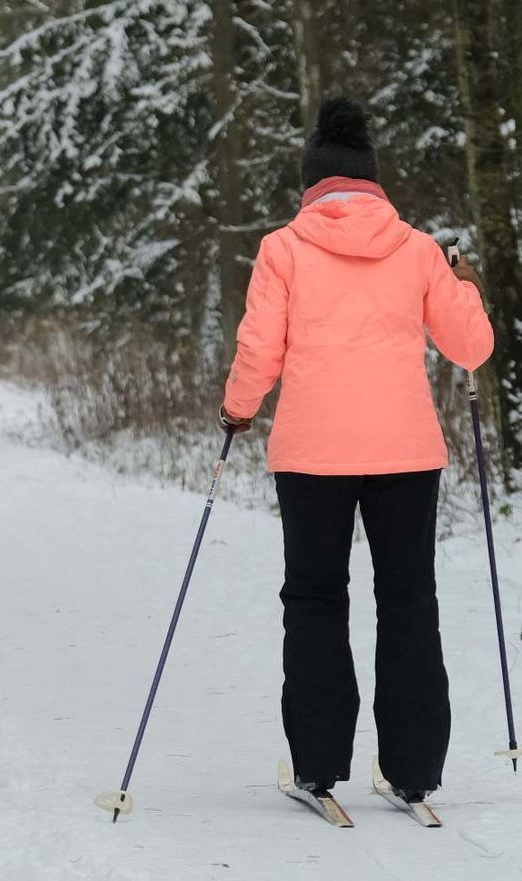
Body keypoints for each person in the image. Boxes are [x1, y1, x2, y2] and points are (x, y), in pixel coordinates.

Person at [219, 98, 493, 804]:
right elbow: (472, 347)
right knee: (408, 600)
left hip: (312, 456)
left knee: (314, 599)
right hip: (406, 454)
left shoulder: (283, 247)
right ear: (375, 182)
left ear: (311, 187)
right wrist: (465, 286)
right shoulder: (419, 248)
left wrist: (237, 410)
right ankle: (413, 770)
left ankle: (316, 763)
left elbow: (259, 349)